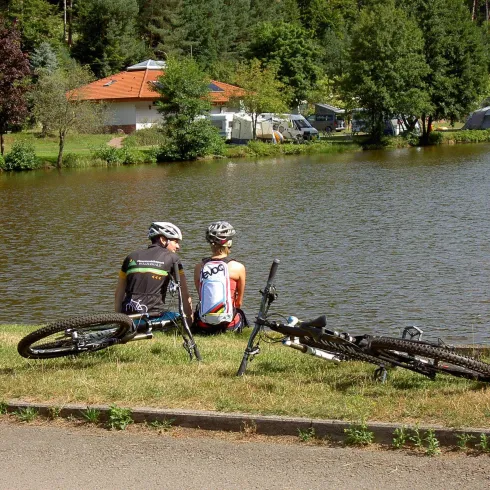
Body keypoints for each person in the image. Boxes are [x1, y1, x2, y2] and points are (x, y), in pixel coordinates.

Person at [115, 221, 193, 324]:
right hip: (153, 317)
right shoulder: (173, 258)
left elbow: (119, 293)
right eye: (175, 241)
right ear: (163, 240)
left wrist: (119, 321)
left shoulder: (131, 257)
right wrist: (190, 320)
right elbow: (184, 293)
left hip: (128, 317)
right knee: (178, 317)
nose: (178, 246)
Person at [193, 221, 247, 334]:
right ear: (229, 243)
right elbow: (239, 303)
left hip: (204, 324)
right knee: (241, 315)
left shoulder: (199, 267)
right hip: (229, 324)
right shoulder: (238, 267)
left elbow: (202, 296)